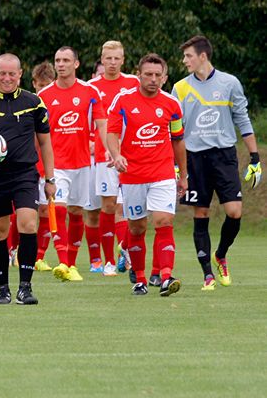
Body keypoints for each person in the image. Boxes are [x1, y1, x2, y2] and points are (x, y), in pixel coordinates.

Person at [173, 35, 261, 290]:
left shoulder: (229, 83)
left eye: (188, 56)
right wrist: (177, 165)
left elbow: (242, 120)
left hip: (224, 156)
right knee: (201, 213)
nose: (184, 60)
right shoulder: (179, 88)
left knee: (235, 212)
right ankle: (207, 275)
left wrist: (255, 157)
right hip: (194, 159)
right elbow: (174, 131)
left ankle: (220, 254)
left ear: (203, 56)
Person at [0, 54, 55, 305]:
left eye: (11, 74)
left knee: (28, 224)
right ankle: (2, 288)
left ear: (20, 74)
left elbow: (46, 143)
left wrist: (50, 178)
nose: (6, 78)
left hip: (25, 174)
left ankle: (25, 288)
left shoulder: (34, 102)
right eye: (2, 73)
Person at [106, 53, 187, 296]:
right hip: (132, 175)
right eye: (148, 74)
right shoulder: (122, 101)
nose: (153, 79)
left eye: (157, 75)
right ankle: (140, 279)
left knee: (164, 221)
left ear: (165, 77)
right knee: (137, 227)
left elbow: (178, 140)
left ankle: (165, 277)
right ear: (138, 74)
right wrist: (117, 154)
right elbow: (111, 133)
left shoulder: (171, 104)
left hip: (162, 173)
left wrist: (183, 175)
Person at [38, 47, 107, 282]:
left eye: (66, 60)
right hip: (55, 165)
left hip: (82, 164)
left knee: (77, 212)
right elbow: (37, 133)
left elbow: (102, 124)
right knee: (57, 208)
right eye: (57, 60)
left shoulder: (90, 92)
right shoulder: (45, 95)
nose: (61, 64)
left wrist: (108, 150)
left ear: (76, 64)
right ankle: (63, 262)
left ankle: (73, 263)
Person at [86, 41, 139, 277]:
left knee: (130, 207)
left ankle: (124, 247)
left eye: (117, 58)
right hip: (103, 156)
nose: (113, 63)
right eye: (108, 58)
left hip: (133, 154)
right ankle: (109, 262)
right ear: (102, 59)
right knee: (109, 205)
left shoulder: (133, 83)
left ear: (123, 59)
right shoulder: (92, 88)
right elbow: (89, 124)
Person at [30, 61, 55, 272]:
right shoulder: (29, 105)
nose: (43, 90)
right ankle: (13, 250)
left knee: (46, 211)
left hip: (47, 166)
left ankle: (39, 256)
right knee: (26, 213)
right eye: (39, 85)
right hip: (29, 166)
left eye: (47, 85)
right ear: (33, 84)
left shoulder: (55, 104)